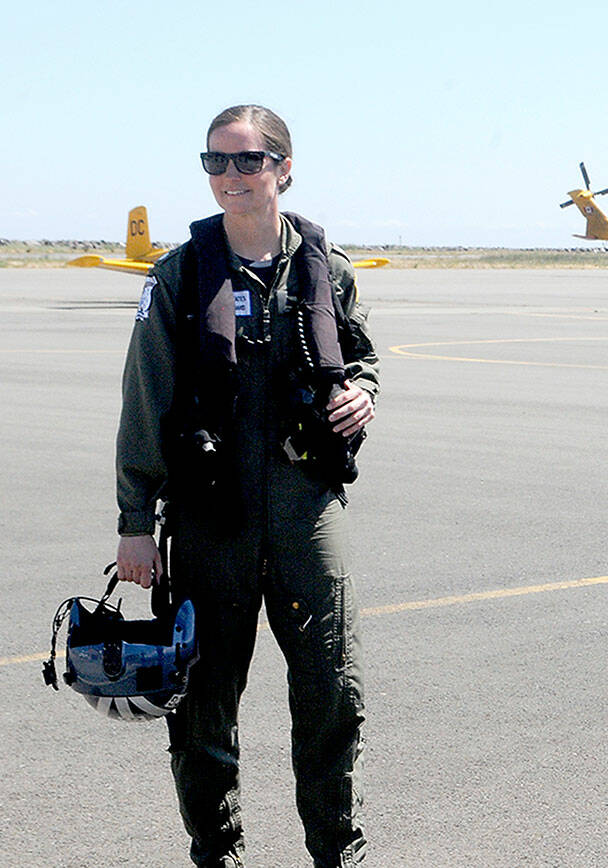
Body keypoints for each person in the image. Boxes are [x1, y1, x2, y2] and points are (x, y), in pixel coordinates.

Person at [114, 104, 378, 868]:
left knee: (335, 692)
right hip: (210, 515)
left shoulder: (327, 268)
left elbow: (362, 360)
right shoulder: (180, 274)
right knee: (203, 703)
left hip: (307, 509)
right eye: (216, 162)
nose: (231, 176)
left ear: (283, 168)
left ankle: (338, 850)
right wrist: (136, 519)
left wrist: (364, 393)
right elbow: (145, 400)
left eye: (248, 161)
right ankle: (217, 853)